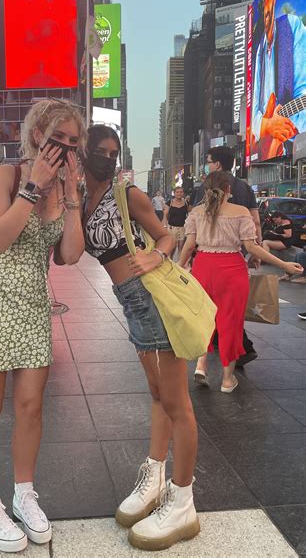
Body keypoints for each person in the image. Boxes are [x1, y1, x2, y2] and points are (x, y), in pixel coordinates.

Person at [0, 99, 86, 553]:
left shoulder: (65, 189)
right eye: (58, 138)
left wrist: (71, 197)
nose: (65, 147)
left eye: (73, 141)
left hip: (32, 306)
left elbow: (70, 255)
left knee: (31, 407)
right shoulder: (7, 176)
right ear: (36, 135)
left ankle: (23, 494)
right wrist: (34, 187)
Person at [83, 124, 199, 552]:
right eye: (100, 151)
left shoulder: (127, 194)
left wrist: (155, 254)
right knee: (157, 394)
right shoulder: (83, 198)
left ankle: (183, 502)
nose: (108, 158)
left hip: (151, 297)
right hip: (131, 301)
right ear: (84, 152)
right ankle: (155, 475)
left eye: (113, 152)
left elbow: (167, 234)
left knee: (176, 402)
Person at [179, 171, 303, 392]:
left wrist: (179, 268)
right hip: (232, 270)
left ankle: (201, 365)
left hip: (203, 268)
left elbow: (189, 246)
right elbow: (251, 247)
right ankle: (227, 380)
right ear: (229, 189)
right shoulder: (240, 212)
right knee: (230, 322)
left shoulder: (197, 212)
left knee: (204, 317)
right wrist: (284, 265)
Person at [194, 145, 261, 368]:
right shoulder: (245, 187)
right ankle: (235, 349)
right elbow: (256, 220)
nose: (207, 166)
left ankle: (233, 349)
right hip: (238, 254)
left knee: (212, 305)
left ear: (217, 164)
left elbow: (199, 220)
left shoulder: (208, 186)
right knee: (230, 305)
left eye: (208, 161)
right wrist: (256, 249)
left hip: (209, 255)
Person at [252, 0, 306, 160]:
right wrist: (266, 126)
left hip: (293, 149)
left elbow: (302, 91)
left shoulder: (290, 28)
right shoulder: (258, 50)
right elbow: (252, 111)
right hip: (264, 153)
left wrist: (283, 126)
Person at [163, 187, 188, 258]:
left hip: (183, 228)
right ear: (174, 193)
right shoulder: (169, 203)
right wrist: (164, 226)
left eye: (181, 192)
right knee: (172, 247)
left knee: (181, 247)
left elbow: (190, 214)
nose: (179, 193)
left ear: (183, 193)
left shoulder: (186, 203)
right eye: (177, 192)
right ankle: (170, 260)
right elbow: (165, 216)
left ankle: (180, 262)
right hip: (172, 228)